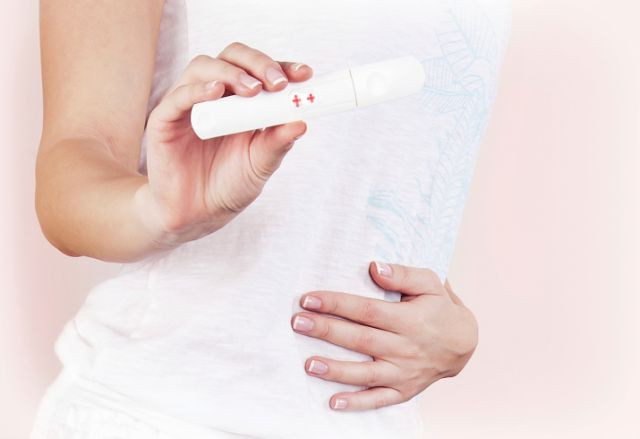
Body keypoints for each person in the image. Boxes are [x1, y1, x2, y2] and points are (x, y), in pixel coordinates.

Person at [31, 0, 510, 438]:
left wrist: (453, 331)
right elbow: (70, 174)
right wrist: (160, 211)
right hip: (173, 408)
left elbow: (367, 195)